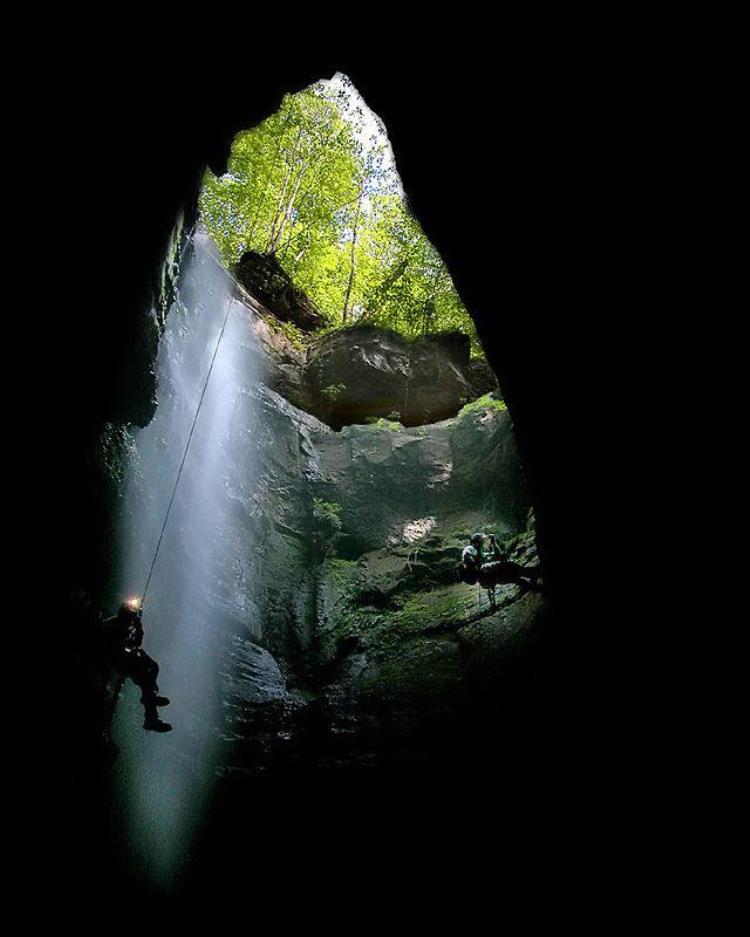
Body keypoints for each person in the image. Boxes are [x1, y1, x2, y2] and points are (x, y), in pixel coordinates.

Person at [103, 601, 172, 733]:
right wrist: (129, 652)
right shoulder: (113, 626)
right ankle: (151, 712)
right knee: (145, 679)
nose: (131, 622)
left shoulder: (128, 626)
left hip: (127, 659)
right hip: (118, 661)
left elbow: (136, 643)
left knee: (152, 669)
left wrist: (139, 627)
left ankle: (151, 708)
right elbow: (111, 649)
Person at [460, 532, 541, 591]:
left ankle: (535, 587)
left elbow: (499, 556)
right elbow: (468, 558)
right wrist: (480, 570)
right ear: (478, 542)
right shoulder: (470, 548)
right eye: (482, 541)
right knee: (515, 570)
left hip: (487, 578)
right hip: (488, 573)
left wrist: (494, 543)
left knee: (515, 579)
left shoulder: (479, 553)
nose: (483, 543)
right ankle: (536, 574)